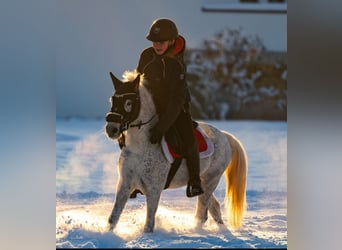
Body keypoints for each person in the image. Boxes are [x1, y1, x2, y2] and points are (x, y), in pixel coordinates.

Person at [135, 18, 204, 197]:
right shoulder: (146, 55)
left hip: (175, 108)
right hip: (150, 107)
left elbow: (176, 99)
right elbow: (138, 81)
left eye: (161, 42)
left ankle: (195, 181)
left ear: (172, 41)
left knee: (188, 139)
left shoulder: (177, 64)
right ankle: (133, 178)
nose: (157, 45)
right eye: (154, 42)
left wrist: (161, 127)